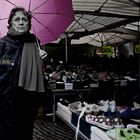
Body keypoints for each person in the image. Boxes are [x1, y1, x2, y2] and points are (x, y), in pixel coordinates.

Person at [0, 7, 46, 140]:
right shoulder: (2, 44)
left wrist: (44, 58)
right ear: (11, 23)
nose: (21, 22)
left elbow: (39, 74)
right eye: (17, 19)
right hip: (6, 104)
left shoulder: (35, 43)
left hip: (28, 103)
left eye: (24, 19)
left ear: (29, 24)